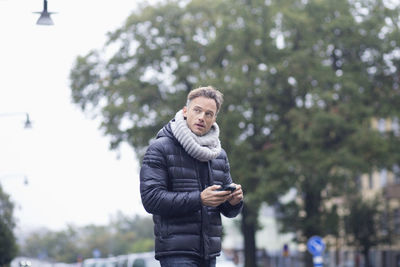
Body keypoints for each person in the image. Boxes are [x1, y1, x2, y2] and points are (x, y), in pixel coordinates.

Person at [140, 86, 244, 267]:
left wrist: (234, 202)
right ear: (185, 111)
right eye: (197, 110)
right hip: (175, 252)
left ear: (214, 119)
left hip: (209, 253)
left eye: (209, 114)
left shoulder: (218, 154)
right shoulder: (160, 148)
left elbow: (226, 209)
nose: (202, 117)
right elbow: (151, 199)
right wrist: (200, 199)